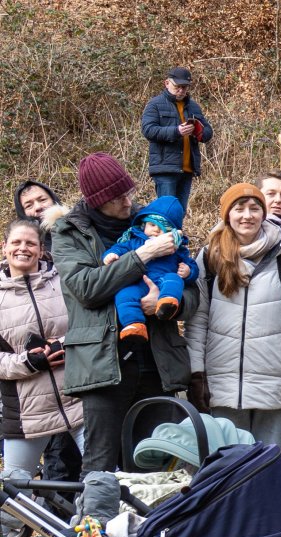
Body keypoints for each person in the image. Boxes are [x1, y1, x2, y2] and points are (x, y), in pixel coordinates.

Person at [57, 154, 198, 474]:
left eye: (130, 192)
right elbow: (86, 288)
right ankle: (95, 525)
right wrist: (144, 254)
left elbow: (192, 292)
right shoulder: (69, 232)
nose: (128, 201)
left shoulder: (152, 220)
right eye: (118, 197)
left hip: (156, 361)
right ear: (97, 201)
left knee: (157, 461)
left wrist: (165, 303)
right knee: (100, 464)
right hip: (104, 364)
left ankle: (153, 525)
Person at [186, 183, 281, 447]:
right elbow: (197, 322)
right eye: (239, 209)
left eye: (254, 208)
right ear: (227, 215)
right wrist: (196, 374)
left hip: (275, 386)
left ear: (263, 213)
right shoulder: (209, 257)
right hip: (222, 386)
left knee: (269, 469)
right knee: (229, 471)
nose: (247, 216)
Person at [0, 221, 85, 480]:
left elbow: (91, 323)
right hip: (27, 412)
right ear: (4, 247)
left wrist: (66, 343)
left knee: (102, 478)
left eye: (30, 243)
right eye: (16, 242)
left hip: (80, 400)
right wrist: (30, 361)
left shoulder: (64, 280)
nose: (22, 248)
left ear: (41, 249)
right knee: (13, 491)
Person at [102, 197, 197, 345]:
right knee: (124, 295)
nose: (156, 230)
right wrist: (111, 255)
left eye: (163, 228)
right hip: (137, 281)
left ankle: (168, 302)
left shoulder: (177, 249)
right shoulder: (134, 241)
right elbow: (119, 248)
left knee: (174, 279)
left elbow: (191, 265)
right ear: (143, 224)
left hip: (162, 281)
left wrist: (189, 271)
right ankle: (133, 325)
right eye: (152, 225)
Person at [141, 67, 212, 205]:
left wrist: (197, 131)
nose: (181, 90)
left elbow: (208, 133)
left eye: (184, 87)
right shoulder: (154, 104)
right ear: (167, 83)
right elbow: (148, 130)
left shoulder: (193, 107)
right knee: (167, 212)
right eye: (177, 87)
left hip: (187, 170)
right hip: (165, 169)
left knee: (180, 212)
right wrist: (176, 131)